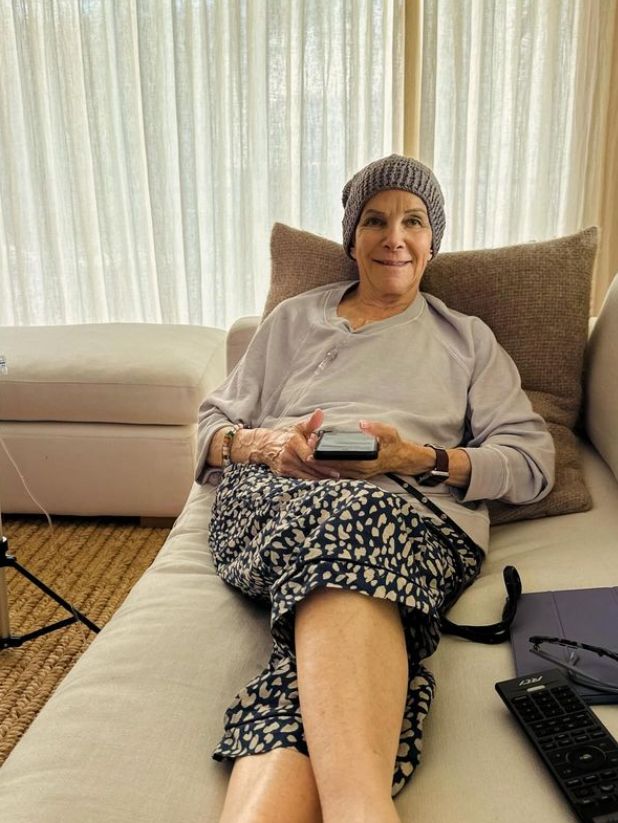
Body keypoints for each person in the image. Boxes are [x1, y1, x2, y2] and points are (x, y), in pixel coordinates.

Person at [195, 154, 555, 823]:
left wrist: (414, 457)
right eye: (377, 219)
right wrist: (268, 444)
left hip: (409, 512)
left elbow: (533, 460)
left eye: (413, 221)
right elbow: (211, 427)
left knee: (302, 667)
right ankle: (361, 809)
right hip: (274, 498)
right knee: (345, 509)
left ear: (432, 241)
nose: (395, 236)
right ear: (352, 239)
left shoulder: (466, 340)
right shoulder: (293, 321)